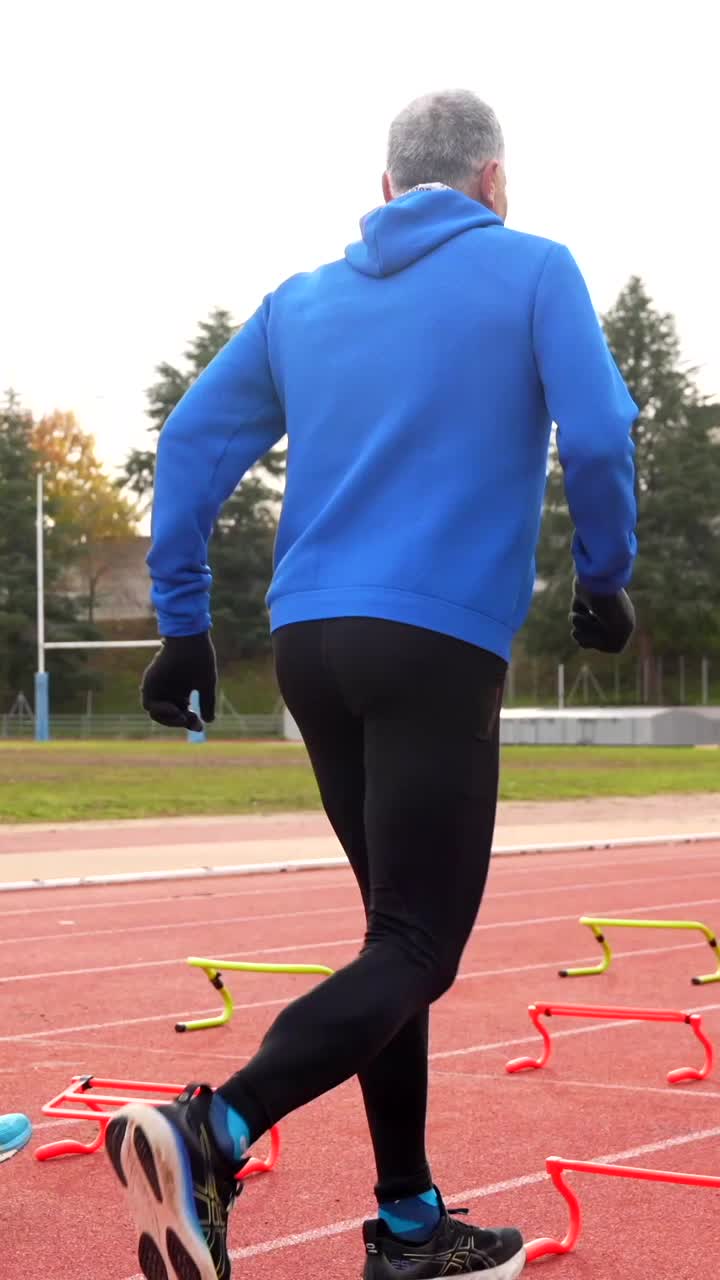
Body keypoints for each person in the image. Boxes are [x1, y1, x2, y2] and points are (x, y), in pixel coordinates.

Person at [106, 89, 637, 1280]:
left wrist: (185, 626)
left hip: (312, 643)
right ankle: (214, 1128)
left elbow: (191, 444)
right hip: (434, 640)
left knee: (391, 935)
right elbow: (599, 434)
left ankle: (409, 1222)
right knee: (418, 941)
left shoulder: (303, 301)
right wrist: (605, 577)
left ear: (388, 189)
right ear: (495, 183)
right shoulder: (536, 267)